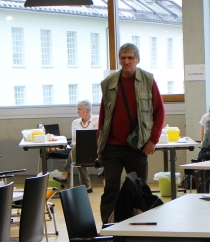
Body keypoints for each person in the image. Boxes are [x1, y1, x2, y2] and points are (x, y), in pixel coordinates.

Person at [97, 43, 165, 222]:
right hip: (111, 146)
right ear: (119, 60)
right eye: (123, 58)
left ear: (137, 59)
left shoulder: (148, 80)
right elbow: (103, 115)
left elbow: (159, 112)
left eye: (130, 58)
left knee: (139, 187)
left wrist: (153, 140)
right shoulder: (109, 83)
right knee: (111, 187)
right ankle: (109, 227)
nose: (126, 61)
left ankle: (140, 226)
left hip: (137, 145)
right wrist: (100, 145)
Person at [54, 99, 99, 190]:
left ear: (87, 110)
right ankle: (87, 185)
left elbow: (99, 137)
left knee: (78, 150)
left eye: (79, 109)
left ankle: (65, 172)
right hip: (80, 151)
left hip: (94, 150)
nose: (77, 111)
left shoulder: (97, 119)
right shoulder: (75, 122)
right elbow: (74, 140)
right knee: (78, 149)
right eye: (77, 109)